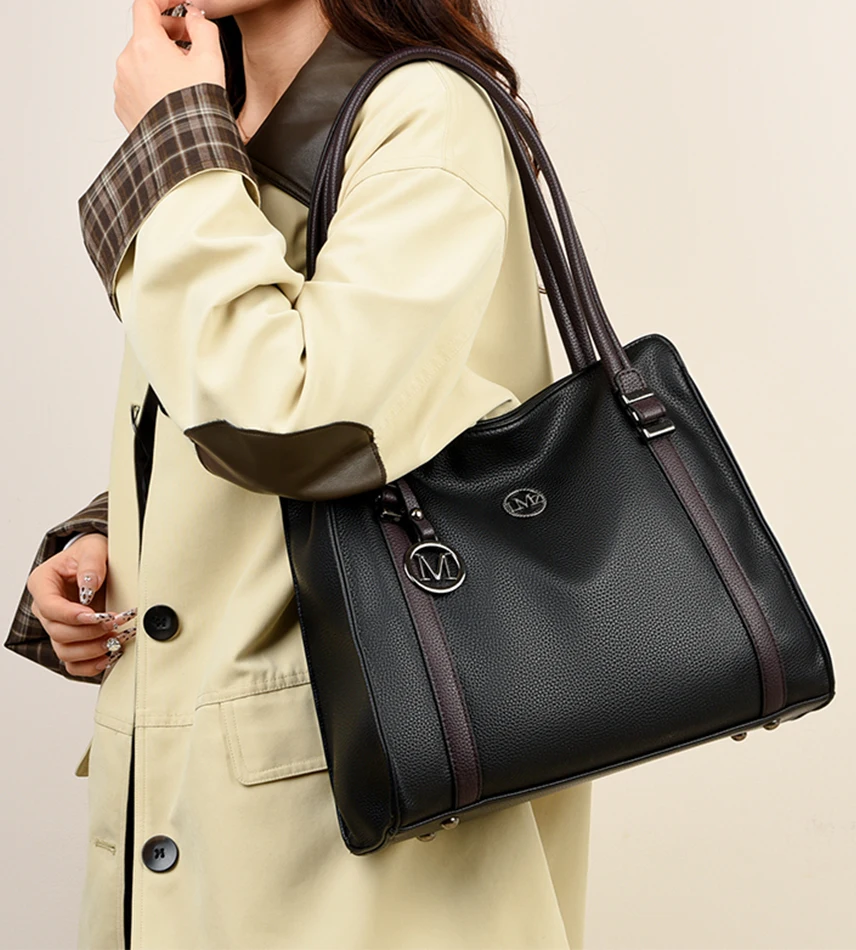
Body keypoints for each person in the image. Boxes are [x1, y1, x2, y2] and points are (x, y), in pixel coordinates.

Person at [5, 0, 593, 947]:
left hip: (361, 855)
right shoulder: (224, 116)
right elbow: (248, 416)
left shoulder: (422, 113)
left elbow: (302, 420)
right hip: (205, 833)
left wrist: (172, 142)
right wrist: (113, 538)